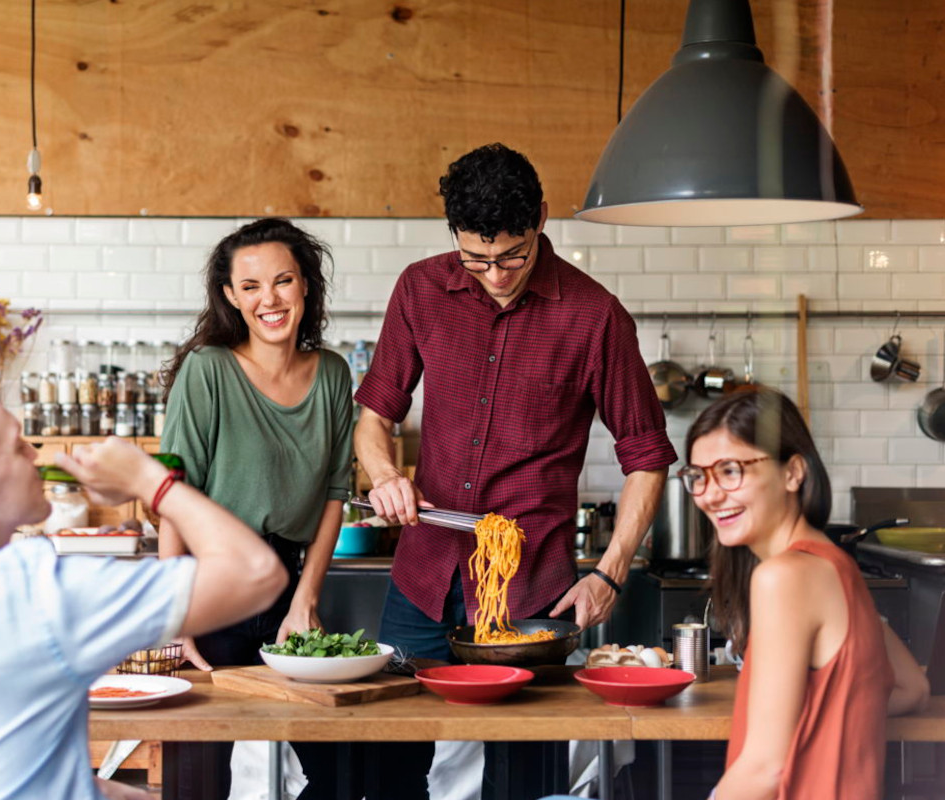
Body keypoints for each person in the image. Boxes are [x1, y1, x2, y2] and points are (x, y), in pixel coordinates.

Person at [353, 143, 676, 798]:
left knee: (522, 780)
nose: (495, 274)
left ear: (542, 222)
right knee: (384, 769)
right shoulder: (420, 289)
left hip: (531, 593)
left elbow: (645, 455)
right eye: (477, 259)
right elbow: (373, 417)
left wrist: (609, 572)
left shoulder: (594, 316)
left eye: (512, 257)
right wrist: (384, 473)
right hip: (422, 578)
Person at [0, 373, 287, 800]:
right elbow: (256, 573)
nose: (38, 457)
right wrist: (148, 481)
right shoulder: (39, 591)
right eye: (18, 447)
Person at [157, 217, 356, 799]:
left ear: (306, 287)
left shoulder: (334, 375)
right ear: (230, 297)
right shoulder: (208, 371)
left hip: (287, 585)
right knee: (199, 769)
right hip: (211, 588)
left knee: (331, 764)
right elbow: (173, 492)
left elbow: (335, 496)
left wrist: (306, 599)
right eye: (250, 286)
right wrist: (174, 611)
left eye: (283, 281)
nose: (269, 299)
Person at [682, 388, 929, 799]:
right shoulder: (833, 564)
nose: (708, 494)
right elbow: (911, 689)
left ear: (793, 472)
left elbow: (765, 769)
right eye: (697, 476)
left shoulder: (784, 577)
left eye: (729, 471)